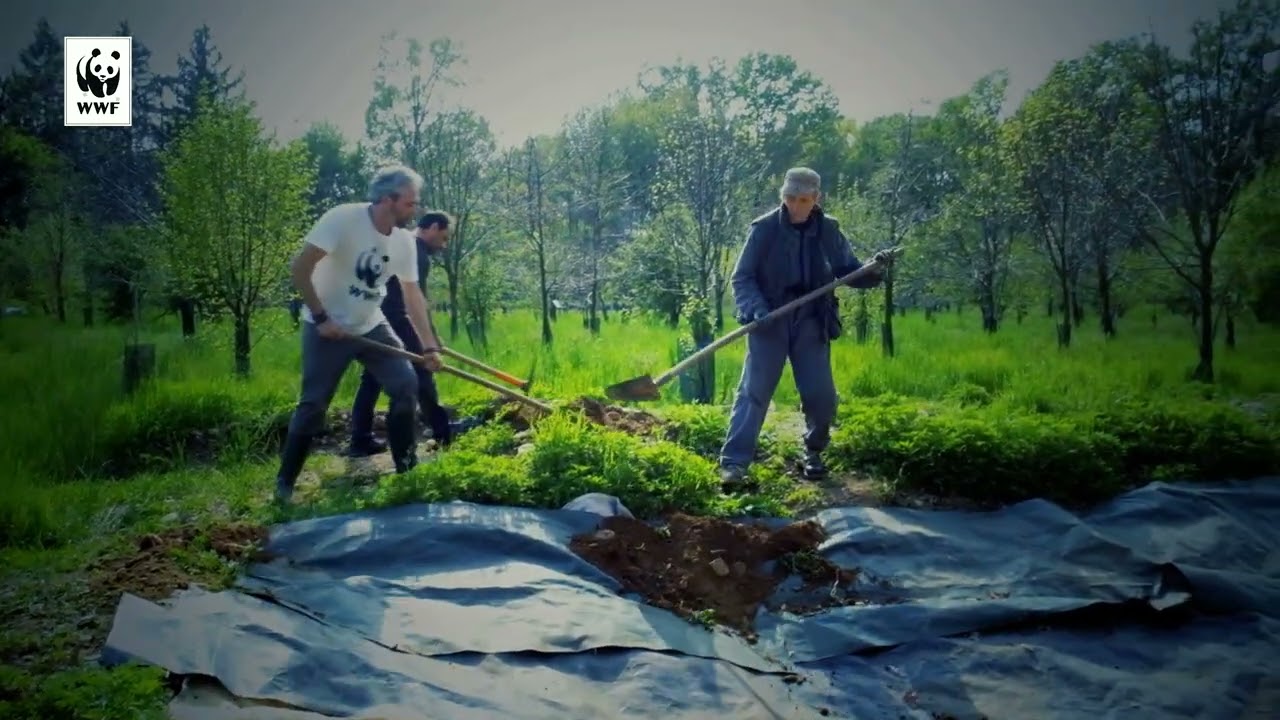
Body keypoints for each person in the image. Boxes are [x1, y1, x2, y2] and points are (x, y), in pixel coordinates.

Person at [273, 164, 444, 503]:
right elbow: (300, 267)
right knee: (313, 404)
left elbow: (413, 297)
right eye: (410, 203)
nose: (415, 210)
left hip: (370, 324)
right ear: (387, 199)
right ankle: (284, 486)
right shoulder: (343, 219)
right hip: (326, 326)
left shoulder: (403, 243)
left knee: (406, 385)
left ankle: (406, 471)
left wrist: (429, 347)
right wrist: (321, 317)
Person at [718, 167, 894, 487]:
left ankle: (813, 451)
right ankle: (734, 463)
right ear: (782, 196)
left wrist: (875, 269)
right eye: (789, 198)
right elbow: (742, 278)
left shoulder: (828, 230)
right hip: (769, 320)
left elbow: (849, 271)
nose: (795, 206)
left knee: (820, 395)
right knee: (753, 393)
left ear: (816, 199)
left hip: (812, 319)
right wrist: (757, 310)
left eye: (802, 200)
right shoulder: (764, 230)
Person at [347, 211, 454, 456]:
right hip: (399, 320)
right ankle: (442, 434)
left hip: (375, 319)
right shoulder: (417, 253)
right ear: (433, 227)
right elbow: (417, 300)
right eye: (444, 237)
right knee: (425, 372)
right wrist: (430, 341)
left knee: (371, 379)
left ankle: (359, 439)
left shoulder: (399, 244)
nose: (444, 244)